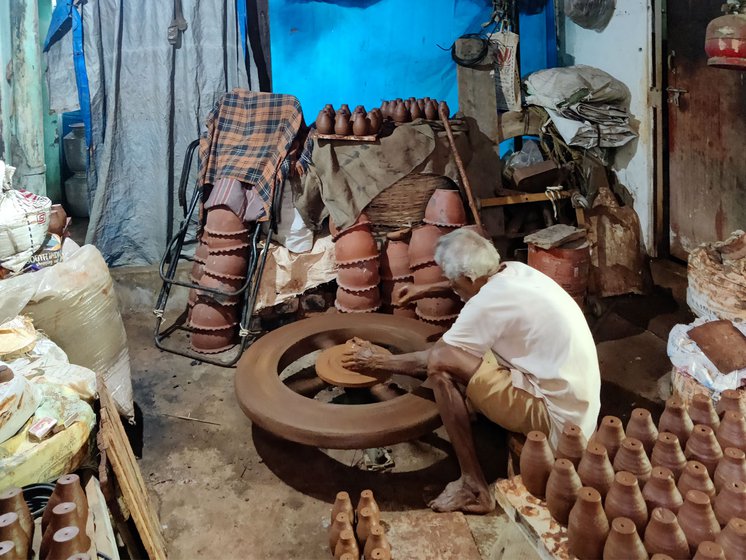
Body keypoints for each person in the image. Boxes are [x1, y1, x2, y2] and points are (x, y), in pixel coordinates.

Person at [342, 228, 601, 514]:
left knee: (441, 361)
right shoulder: (513, 271)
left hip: (556, 424)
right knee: (462, 347)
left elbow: (431, 360)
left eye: (453, 282)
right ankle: (477, 411)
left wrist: (377, 362)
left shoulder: (487, 304)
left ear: (467, 278)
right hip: (577, 404)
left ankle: (472, 485)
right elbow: (475, 286)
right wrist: (425, 289)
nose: (452, 288)